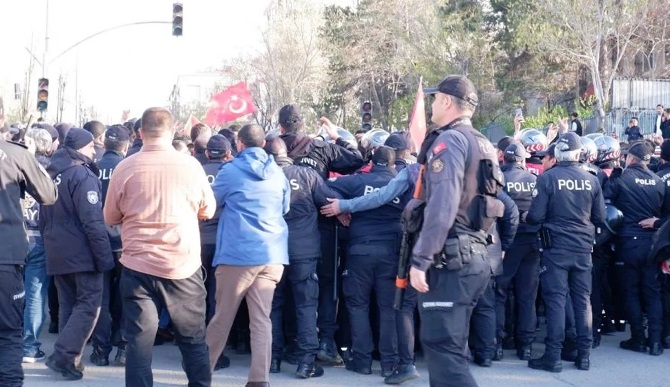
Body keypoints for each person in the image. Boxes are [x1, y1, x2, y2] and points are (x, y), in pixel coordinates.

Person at [104, 108, 216, 387]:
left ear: (140, 133)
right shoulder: (191, 166)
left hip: (137, 266)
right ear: (172, 131)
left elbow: (110, 217)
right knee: (192, 340)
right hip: (182, 265)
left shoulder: (125, 167)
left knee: (139, 344)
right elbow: (208, 210)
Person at [410, 75, 504, 386]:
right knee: (452, 349)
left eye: (435, 99)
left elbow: (443, 205)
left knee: (444, 352)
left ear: (448, 102)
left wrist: (421, 259)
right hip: (475, 255)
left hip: (452, 259)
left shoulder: (449, 141)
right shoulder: (482, 141)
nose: (433, 104)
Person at [278, 104, 365, 365]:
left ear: (281, 127)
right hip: (322, 225)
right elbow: (357, 159)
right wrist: (337, 136)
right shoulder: (320, 147)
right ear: (302, 124)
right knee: (325, 285)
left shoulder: (271, 149)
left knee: (285, 289)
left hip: (279, 230)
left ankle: (289, 343)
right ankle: (325, 341)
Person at [206, 124, 290, 387]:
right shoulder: (278, 173)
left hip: (237, 255)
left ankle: (202, 373)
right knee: (261, 319)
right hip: (272, 254)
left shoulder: (230, 171)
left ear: (239, 144)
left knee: (222, 318)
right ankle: (259, 380)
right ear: (263, 144)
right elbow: (285, 207)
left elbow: (210, 205)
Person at [526, 132, 605, 372]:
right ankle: (584, 356)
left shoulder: (548, 179)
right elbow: (600, 217)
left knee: (556, 301)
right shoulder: (592, 180)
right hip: (583, 249)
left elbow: (535, 217)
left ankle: (553, 356)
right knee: (583, 302)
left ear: (558, 153)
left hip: (555, 249)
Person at [40, 128, 115, 380]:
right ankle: (64, 356)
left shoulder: (52, 174)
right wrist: (104, 257)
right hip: (82, 252)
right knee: (89, 305)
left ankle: (71, 358)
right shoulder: (81, 175)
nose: (95, 150)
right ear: (81, 148)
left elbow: (43, 217)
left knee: (68, 306)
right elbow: (93, 221)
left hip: (57, 250)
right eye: (91, 146)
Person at [327, 146, 407, 377]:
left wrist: (342, 207)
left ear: (371, 162)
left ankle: (362, 361)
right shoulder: (401, 183)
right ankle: (389, 363)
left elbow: (324, 186)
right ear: (393, 164)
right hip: (392, 252)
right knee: (388, 308)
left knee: (358, 306)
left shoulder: (357, 181)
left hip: (360, 251)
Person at [264, 137, 339, 379]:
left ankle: (273, 359)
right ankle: (306, 363)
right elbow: (328, 203)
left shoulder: (263, 176)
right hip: (304, 251)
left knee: (273, 304)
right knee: (306, 306)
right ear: (287, 153)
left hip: (272, 250)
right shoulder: (307, 175)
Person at [0, 136, 57, 387]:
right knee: (8, 333)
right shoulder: (14, 153)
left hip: (7, 254)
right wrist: (28, 157)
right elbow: (48, 193)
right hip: (5, 256)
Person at [605, 141, 670, 356]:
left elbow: (604, 206)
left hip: (629, 244)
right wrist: (657, 223)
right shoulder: (659, 181)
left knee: (630, 292)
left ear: (630, 159)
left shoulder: (620, 179)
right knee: (653, 293)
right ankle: (655, 342)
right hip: (653, 244)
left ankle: (638, 338)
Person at [495, 143, 540, 361]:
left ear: (504, 159)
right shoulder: (534, 180)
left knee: (500, 294)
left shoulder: (500, 180)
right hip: (531, 243)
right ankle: (526, 346)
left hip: (506, 244)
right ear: (522, 160)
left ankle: (498, 344)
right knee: (527, 297)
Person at [92, 125, 130, 366]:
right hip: (125, 242)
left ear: (104, 144)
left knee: (101, 298)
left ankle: (100, 350)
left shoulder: (92, 167)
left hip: (98, 241)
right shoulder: (129, 167)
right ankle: (124, 348)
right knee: (128, 296)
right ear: (125, 146)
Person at [21, 128, 55, 364]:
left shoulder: (14, 164)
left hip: (15, 235)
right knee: (35, 294)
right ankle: (29, 346)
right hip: (40, 236)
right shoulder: (51, 169)